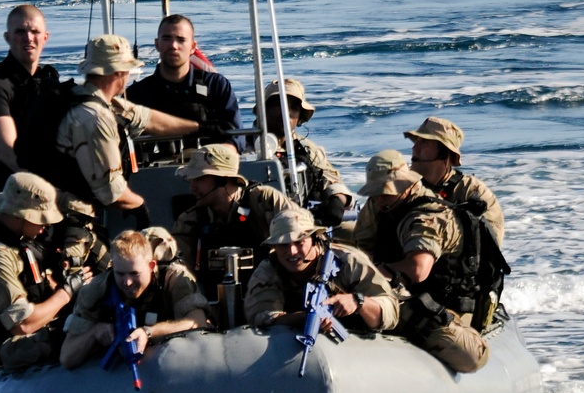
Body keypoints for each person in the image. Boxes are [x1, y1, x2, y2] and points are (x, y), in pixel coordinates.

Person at [349, 150, 491, 373]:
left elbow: (417, 269)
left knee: (471, 357)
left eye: (384, 192)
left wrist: (370, 274)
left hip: (440, 303)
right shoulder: (379, 206)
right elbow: (363, 248)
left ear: (405, 186)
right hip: (398, 292)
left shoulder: (428, 217)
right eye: (375, 192)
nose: (377, 198)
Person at [0, 172, 98, 371]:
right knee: (75, 336)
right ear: (21, 215)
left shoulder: (15, 237)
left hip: (17, 327)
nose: (46, 225)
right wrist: (67, 292)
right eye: (41, 219)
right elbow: (23, 325)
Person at [55, 34, 198, 213]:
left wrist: (199, 128)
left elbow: (147, 118)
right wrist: (142, 206)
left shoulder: (85, 97)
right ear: (119, 72)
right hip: (71, 217)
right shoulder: (95, 118)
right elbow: (112, 193)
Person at [0, 4, 67, 204]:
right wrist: (51, 191)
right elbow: (7, 153)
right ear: (7, 37)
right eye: (20, 31)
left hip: (46, 194)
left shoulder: (48, 82)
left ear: (45, 37)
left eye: (35, 31)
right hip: (8, 200)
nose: (28, 38)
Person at [60, 229, 210, 370]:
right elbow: (67, 357)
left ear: (151, 266)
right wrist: (94, 332)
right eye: (120, 274)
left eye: (134, 273)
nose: (127, 282)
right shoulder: (96, 290)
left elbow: (197, 322)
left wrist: (149, 332)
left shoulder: (172, 278)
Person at [171, 144, 296, 302]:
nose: (192, 187)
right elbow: (178, 266)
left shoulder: (265, 201)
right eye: (191, 180)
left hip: (270, 296)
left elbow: (300, 237)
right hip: (212, 303)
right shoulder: (189, 220)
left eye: (199, 179)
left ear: (222, 180)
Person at [244, 209, 399, 333]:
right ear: (274, 247)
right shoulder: (268, 270)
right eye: (283, 245)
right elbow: (259, 317)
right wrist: (305, 319)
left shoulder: (348, 262)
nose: (291, 251)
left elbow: (389, 311)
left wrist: (358, 302)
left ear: (314, 240)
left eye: (299, 242)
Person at [128, 14, 242, 150]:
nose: (173, 46)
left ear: (193, 47)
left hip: (210, 167)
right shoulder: (136, 95)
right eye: (166, 38)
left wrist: (215, 157)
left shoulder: (216, 86)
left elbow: (236, 139)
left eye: (181, 40)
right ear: (157, 44)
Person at [255, 76, 354, 225]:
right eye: (278, 105)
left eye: (293, 108)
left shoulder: (307, 149)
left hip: (304, 222)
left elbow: (331, 180)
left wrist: (337, 201)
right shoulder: (241, 147)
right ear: (264, 109)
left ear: (300, 116)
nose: (286, 113)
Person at [404, 115, 505, 245]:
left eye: (425, 142)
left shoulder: (471, 190)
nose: (414, 148)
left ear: (445, 153)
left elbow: (491, 244)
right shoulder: (400, 186)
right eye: (416, 141)